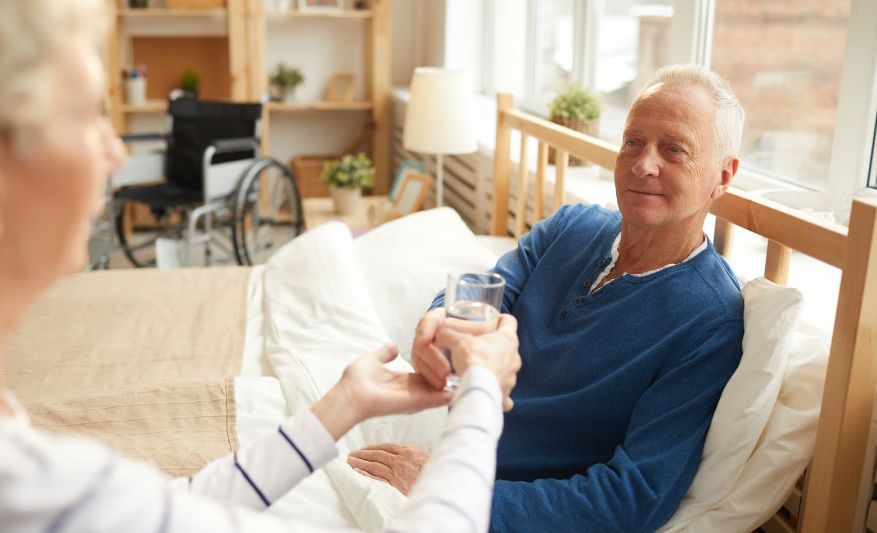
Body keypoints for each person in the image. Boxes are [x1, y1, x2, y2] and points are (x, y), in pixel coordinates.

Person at [0, 0, 522, 531]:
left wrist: (344, 403)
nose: (115, 154)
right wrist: (480, 391)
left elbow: (176, 507)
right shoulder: (25, 484)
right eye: (88, 115)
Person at [349, 64, 747, 532]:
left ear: (723, 175)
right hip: (453, 442)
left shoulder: (710, 322)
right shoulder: (571, 226)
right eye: (633, 142)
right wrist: (440, 323)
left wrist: (448, 487)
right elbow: (487, 292)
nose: (643, 164)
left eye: (673, 149)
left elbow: (630, 498)